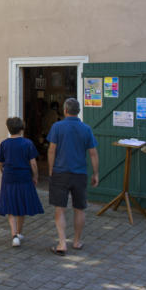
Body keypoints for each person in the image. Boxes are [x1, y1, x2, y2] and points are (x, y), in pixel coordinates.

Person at [47, 98, 99, 256]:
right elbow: (93, 153)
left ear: (65, 110)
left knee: (60, 209)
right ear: (78, 111)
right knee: (79, 208)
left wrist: (51, 169)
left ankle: (62, 243)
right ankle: (76, 241)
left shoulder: (57, 127)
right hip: (79, 173)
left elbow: (51, 150)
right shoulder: (86, 129)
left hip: (60, 172)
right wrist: (96, 173)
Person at [0, 117, 44, 247]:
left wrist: (3, 172)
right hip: (24, 177)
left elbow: (0, 164)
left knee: (11, 206)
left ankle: (14, 235)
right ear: (22, 129)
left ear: (8, 129)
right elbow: (33, 163)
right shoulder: (28, 143)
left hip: (9, 177)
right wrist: (36, 176)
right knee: (22, 205)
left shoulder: (4, 144)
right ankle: (18, 233)